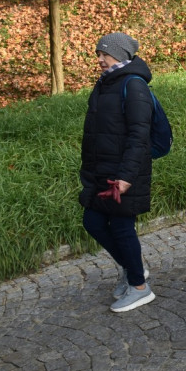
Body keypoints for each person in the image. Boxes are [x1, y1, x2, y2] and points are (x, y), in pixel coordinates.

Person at [80, 32, 155, 312]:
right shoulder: (106, 83)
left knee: (122, 227)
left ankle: (139, 287)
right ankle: (131, 268)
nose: (99, 59)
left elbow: (139, 135)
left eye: (104, 53)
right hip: (103, 171)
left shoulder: (134, 86)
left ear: (121, 55)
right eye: (98, 53)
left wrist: (126, 176)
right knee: (93, 222)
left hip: (124, 173)